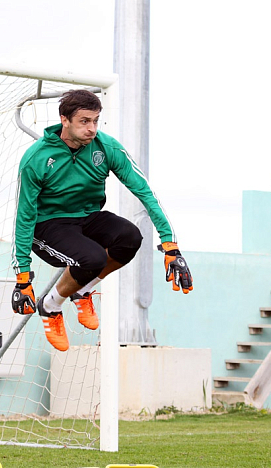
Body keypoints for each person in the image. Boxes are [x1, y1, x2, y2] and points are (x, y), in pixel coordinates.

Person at [10, 89, 193, 352]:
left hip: (87, 217)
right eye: (84, 121)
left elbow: (145, 193)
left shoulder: (107, 147)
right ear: (64, 120)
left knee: (130, 237)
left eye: (95, 120)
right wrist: (22, 277)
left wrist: (170, 245)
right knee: (93, 258)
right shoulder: (36, 158)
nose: (92, 129)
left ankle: (82, 291)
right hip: (47, 225)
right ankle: (50, 306)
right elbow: (24, 216)